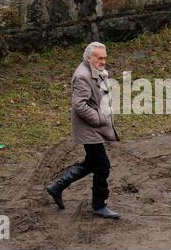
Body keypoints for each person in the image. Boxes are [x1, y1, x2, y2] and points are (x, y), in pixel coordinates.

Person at [46, 42, 121, 219]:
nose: (103, 61)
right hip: (89, 129)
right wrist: (99, 119)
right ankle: (99, 205)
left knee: (91, 163)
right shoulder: (82, 76)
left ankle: (57, 187)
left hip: (92, 128)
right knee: (102, 166)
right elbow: (79, 106)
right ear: (89, 58)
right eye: (99, 58)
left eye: (104, 58)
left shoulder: (94, 70)